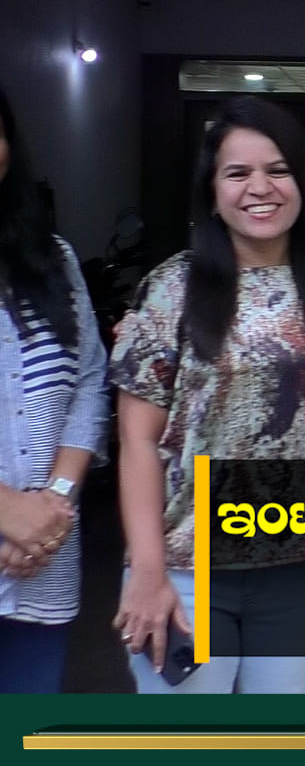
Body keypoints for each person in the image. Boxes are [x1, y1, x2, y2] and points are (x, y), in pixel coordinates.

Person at [109, 96, 305, 693]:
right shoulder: (173, 287)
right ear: (213, 193)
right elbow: (137, 441)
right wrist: (147, 571)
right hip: (187, 566)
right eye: (237, 173)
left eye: (278, 170)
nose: (259, 188)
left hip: (301, 566)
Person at [0, 82, 109, 693]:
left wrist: (52, 507)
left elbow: (89, 381)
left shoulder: (52, 259)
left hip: (44, 560)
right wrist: (8, 511)